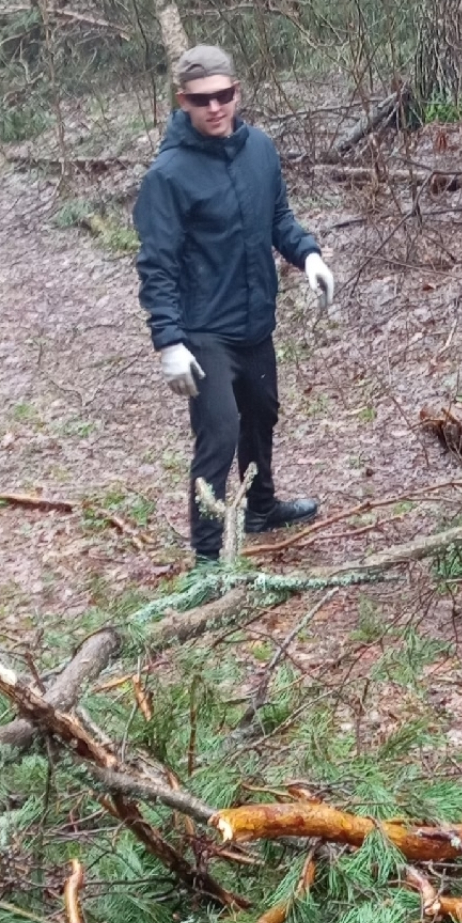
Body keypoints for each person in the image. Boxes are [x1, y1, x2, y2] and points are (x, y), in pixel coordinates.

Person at [135, 44, 335, 562]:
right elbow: (156, 265)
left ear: (237, 92)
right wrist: (169, 342)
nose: (215, 108)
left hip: (254, 321)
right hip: (203, 331)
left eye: (223, 95)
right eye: (202, 100)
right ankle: (205, 558)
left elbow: (279, 219)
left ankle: (260, 509)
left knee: (262, 413)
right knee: (219, 431)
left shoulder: (260, 150)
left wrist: (308, 255)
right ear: (183, 102)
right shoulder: (168, 176)